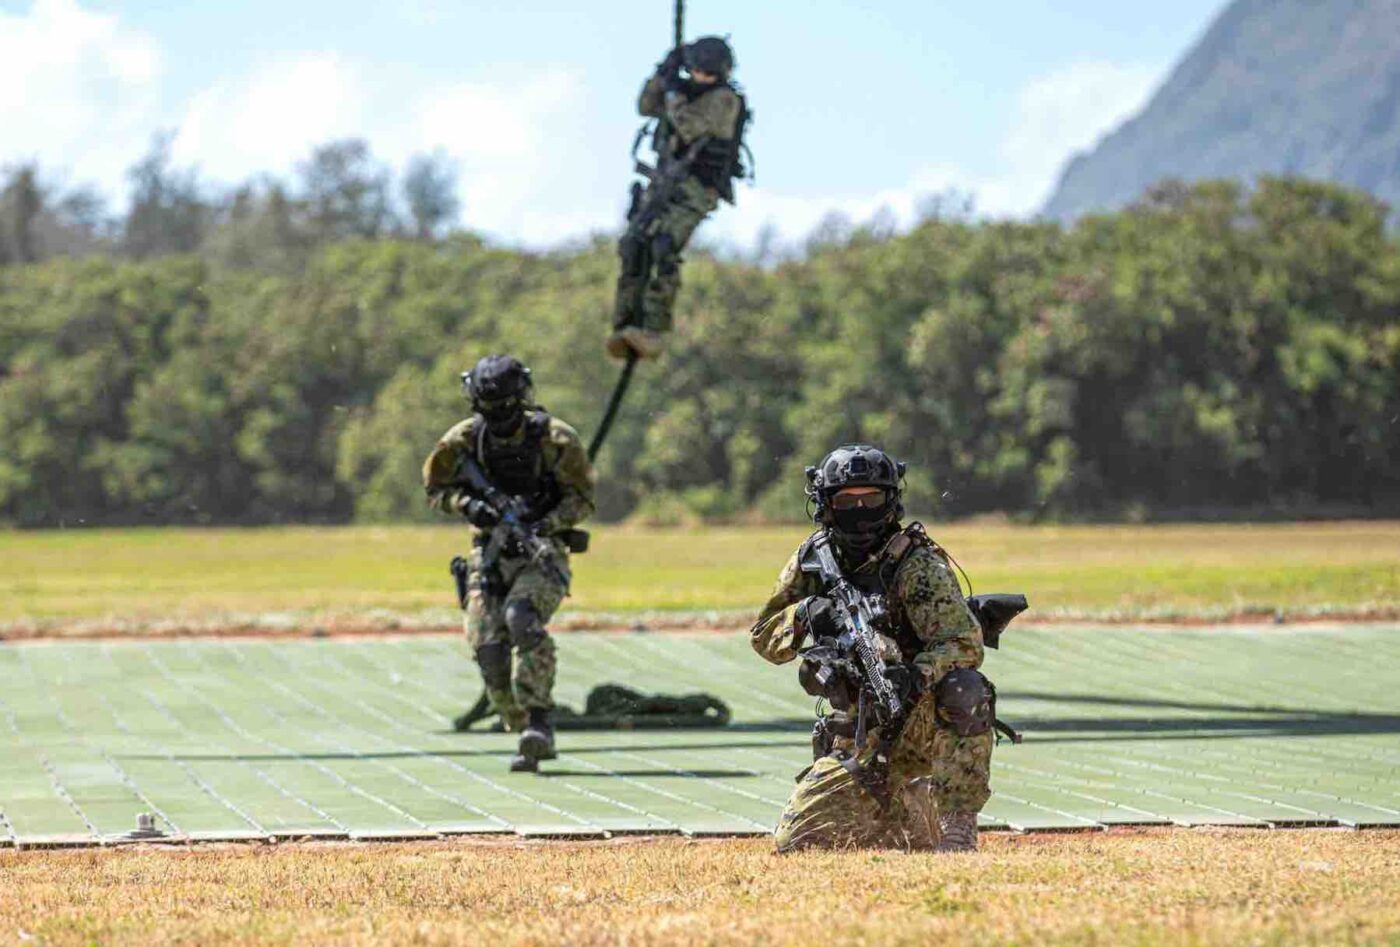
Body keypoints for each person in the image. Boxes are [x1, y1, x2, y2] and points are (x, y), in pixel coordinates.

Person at [749, 445, 995, 852]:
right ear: (826, 503)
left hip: (921, 721)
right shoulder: (813, 558)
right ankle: (910, 811)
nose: (860, 509)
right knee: (797, 842)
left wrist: (916, 675)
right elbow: (763, 638)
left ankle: (957, 825)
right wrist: (806, 613)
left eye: (871, 498)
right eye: (848, 500)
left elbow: (964, 642)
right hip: (859, 732)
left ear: (891, 500)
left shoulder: (916, 563)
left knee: (966, 688)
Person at [422, 354, 595, 772]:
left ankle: (539, 723)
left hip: (542, 553)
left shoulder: (556, 440)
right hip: (489, 556)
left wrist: (544, 520)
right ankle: (519, 723)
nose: (501, 420)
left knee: (522, 618)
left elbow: (582, 499)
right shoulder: (462, 442)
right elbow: (435, 489)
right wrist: (468, 505)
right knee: (490, 652)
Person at [609, 35, 748, 360]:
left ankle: (653, 328)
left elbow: (688, 127)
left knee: (664, 246)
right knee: (633, 245)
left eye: (708, 73)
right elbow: (645, 106)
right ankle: (625, 322)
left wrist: (673, 91)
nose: (701, 78)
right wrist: (662, 75)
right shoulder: (682, 92)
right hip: (664, 182)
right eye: (696, 71)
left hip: (697, 189)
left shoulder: (725, 100)